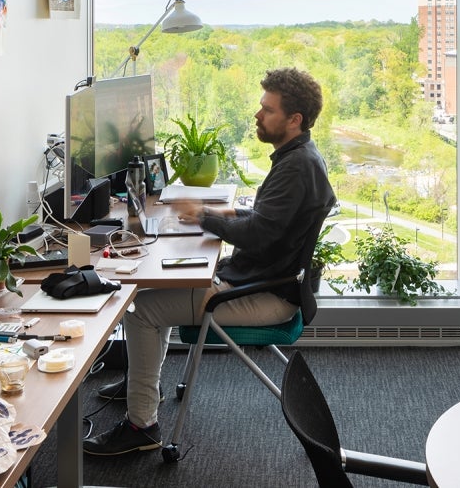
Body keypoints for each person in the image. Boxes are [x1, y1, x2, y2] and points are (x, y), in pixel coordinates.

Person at [83, 67, 337, 456]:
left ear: (294, 119)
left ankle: (142, 425)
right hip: (265, 277)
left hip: (265, 294)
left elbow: (259, 234)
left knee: (140, 311)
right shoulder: (298, 156)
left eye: (266, 109)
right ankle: (143, 382)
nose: (257, 114)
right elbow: (270, 223)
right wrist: (215, 213)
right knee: (154, 288)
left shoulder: (296, 167)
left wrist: (202, 217)